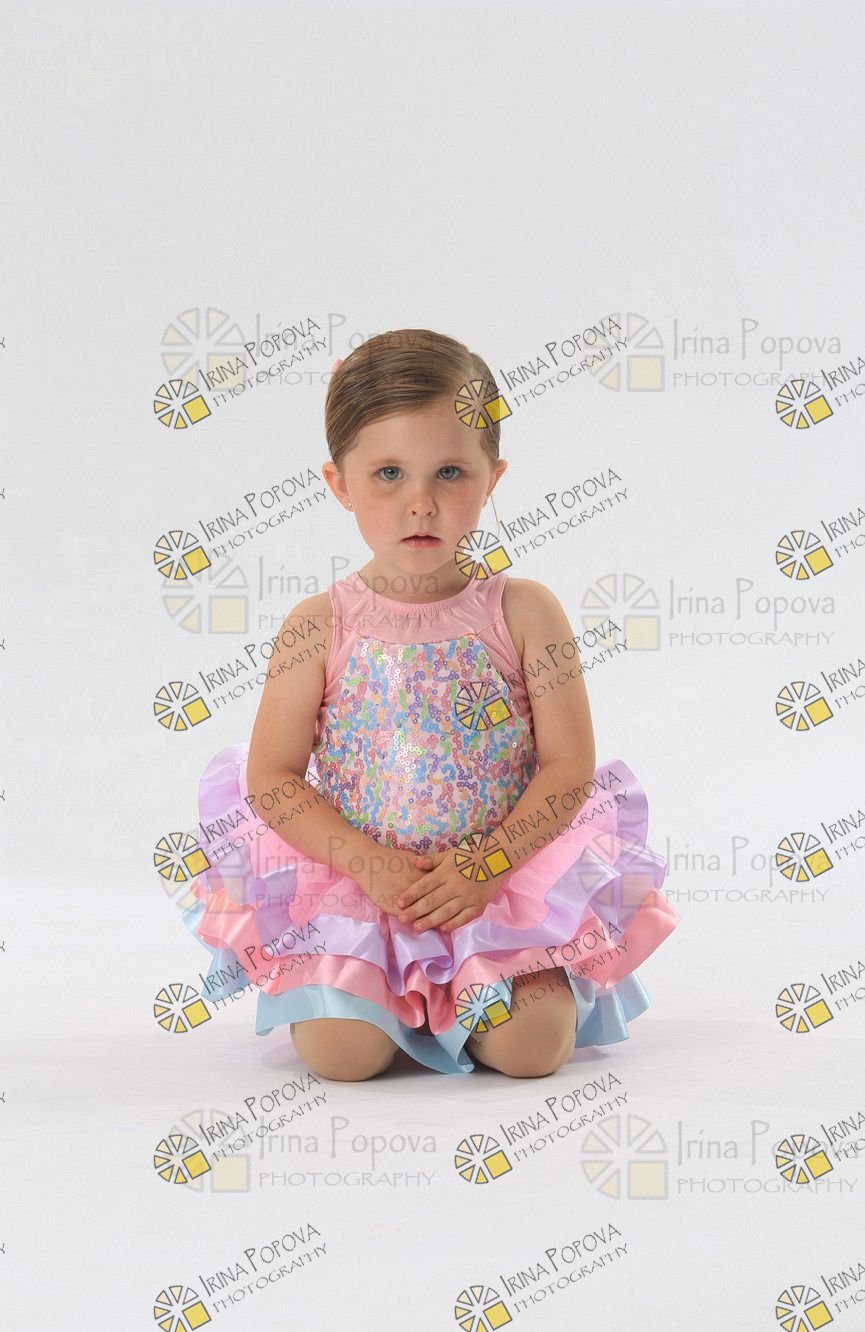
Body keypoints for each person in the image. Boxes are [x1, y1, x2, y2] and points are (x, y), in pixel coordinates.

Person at [182, 327, 680, 1081]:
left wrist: (491, 865)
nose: (420, 502)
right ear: (339, 483)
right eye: (388, 473)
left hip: (494, 883)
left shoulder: (524, 613)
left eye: (450, 472)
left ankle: (492, 986)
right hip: (363, 884)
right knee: (343, 1057)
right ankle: (377, 994)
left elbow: (568, 767)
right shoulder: (319, 625)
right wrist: (370, 866)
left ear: (492, 478)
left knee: (532, 1049)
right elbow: (274, 778)